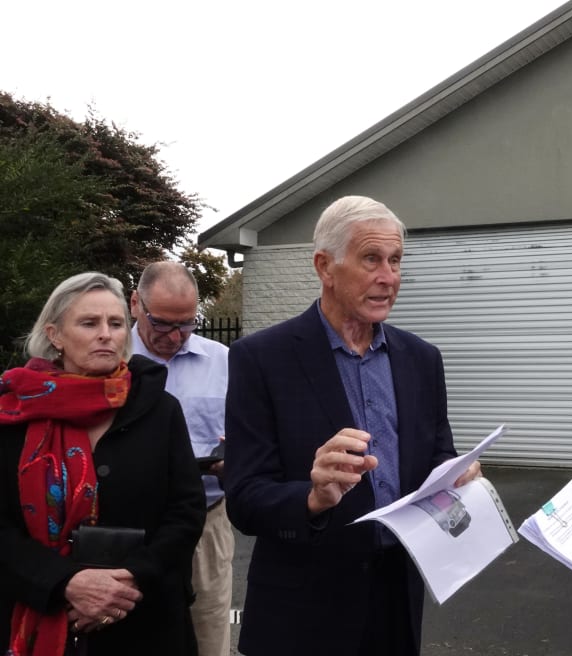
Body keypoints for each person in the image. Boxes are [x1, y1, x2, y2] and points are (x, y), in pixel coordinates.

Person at [224, 195, 481, 655]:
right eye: (371, 259)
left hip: (396, 600)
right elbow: (244, 501)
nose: (389, 277)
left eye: (396, 260)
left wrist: (456, 474)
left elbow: (437, 452)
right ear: (325, 267)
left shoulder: (422, 359)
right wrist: (312, 496)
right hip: (302, 612)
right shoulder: (262, 359)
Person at [0, 272, 205, 655]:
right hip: (37, 608)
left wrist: (127, 581)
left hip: (146, 620)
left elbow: (186, 512)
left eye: (115, 323)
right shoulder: (14, 413)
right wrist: (66, 583)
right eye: (88, 323)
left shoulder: (159, 408)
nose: (106, 334)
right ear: (55, 335)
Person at [130, 261, 233, 656]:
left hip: (205, 522)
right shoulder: (110, 361)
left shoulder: (223, 362)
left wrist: (236, 458)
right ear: (136, 303)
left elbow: (249, 435)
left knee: (208, 634)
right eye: (163, 324)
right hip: (131, 526)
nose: (175, 337)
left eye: (187, 324)